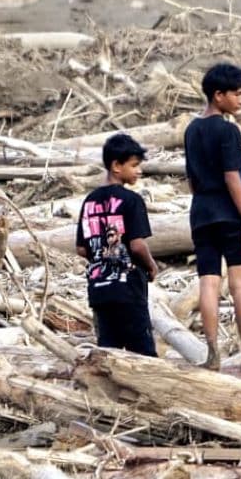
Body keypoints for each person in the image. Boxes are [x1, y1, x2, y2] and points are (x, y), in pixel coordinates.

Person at [184, 62, 241, 372]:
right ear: (218, 95)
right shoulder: (227, 129)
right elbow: (234, 179)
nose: (240, 100)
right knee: (240, 286)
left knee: (208, 283)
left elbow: (192, 180)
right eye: (237, 94)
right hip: (229, 214)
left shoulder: (192, 129)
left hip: (201, 213)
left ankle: (212, 355)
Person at [75, 133, 158, 356]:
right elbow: (138, 246)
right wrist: (151, 266)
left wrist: (100, 257)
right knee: (142, 353)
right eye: (134, 165)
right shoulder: (131, 200)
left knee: (108, 350)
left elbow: (82, 248)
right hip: (128, 288)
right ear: (116, 166)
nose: (139, 170)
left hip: (99, 289)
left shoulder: (90, 201)